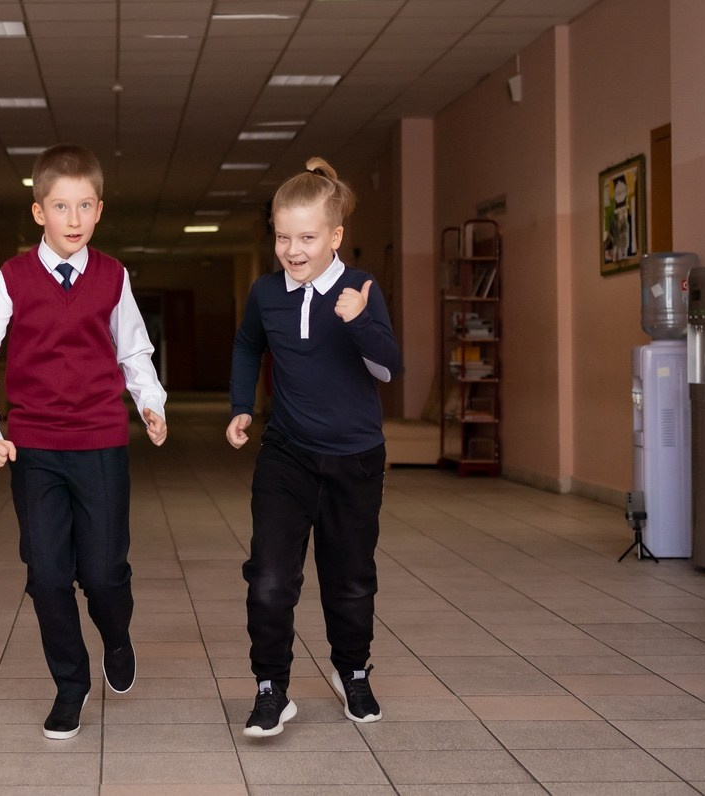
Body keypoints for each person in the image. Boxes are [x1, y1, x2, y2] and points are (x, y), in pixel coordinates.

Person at [0, 144, 167, 740]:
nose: (73, 219)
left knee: (103, 574)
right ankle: (71, 686)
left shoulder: (113, 276)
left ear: (99, 210)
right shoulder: (11, 280)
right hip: (35, 450)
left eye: (84, 206)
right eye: (60, 206)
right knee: (47, 575)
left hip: (101, 443)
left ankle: (117, 637)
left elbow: (133, 349)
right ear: (38, 212)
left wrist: (150, 404)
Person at [226, 157, 402, 737]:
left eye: (306, 237)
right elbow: (249, 345)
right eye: (282, 236)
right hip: (288, 454)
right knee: (270, 578)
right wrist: (242, 407)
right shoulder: (266, 293)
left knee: (350, 577)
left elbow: (387, 369)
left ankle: (352, 670)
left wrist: (359, 321)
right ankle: (270, 687)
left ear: (335, 237)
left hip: (355, 460)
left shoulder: (360, 289)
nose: (293, 249)